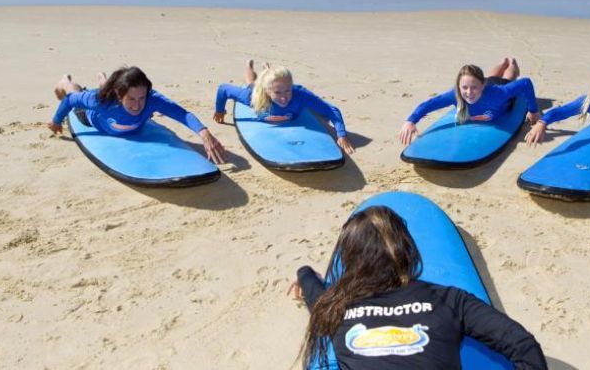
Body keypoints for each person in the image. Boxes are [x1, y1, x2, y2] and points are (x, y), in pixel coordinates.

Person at [288, 205, 548, 370]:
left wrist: (305, 273)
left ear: (350, 259)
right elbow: (523, 345)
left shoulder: (335, 306)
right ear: (407, 251)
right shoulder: (449, 299)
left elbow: (312, 291)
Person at [48, 66, 226, 164]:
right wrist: (56, 121)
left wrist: (203, 132)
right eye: (131, 99)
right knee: (76, 92)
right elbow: (70, 100)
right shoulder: (102, 102)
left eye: (142, 98)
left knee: (107, 89)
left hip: (114, 100)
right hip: (90, 118)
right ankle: (67, 81)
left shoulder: (153, 100)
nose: (138, 105)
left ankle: (103, 79)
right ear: (120, 95)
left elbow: (182, 114)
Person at [213, 60, 354, 154]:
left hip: (272, 87)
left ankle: (268, 70)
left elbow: (331, 110)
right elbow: (223, 89)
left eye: (288, 90)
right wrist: (220, 110)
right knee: (252, 82)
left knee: (276, 82)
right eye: (277, 92)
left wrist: (341, 134)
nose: (284, 97)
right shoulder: (253, 97)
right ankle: (249, 65)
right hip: (257, 87)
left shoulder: (300, 94)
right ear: (267, 92)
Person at [399, 57, 541, 145]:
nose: (468, 93)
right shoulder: (455, 94)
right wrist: (411, 121)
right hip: (486, 82)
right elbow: (430, 104)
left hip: (499, 88)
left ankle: (511, 63)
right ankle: (502, 62)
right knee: (491, 76)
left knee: (508, 77)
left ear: (482, 85)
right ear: (458, 86)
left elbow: (525, 83)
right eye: (464, 87)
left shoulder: (499, 93)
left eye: (473, 88)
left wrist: (533, 110)